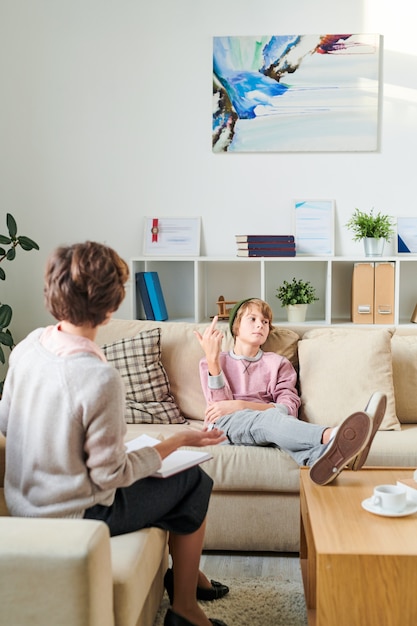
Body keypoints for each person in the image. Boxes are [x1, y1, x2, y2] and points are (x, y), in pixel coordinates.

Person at [0, 241, 229, 626]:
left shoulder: (27, 346)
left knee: (172, 478)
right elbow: (111, 477)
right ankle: (185, 609)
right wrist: (176, 442)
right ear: (109, 309)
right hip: (75, 515)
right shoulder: (98, 377)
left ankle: (191, 580)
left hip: (24, 503)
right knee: (193, 481)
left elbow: (6, 423)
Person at [194, 298, 386, 485]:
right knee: (271, 421)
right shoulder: (213, 361)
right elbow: (219, 409)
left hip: (266, 429)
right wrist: (213, 360)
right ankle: (332, 435)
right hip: (225, 428)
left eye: (265, 322)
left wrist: (242, 405)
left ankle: (327, 458)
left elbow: (288, 407)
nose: (260, 325)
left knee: (283, 433)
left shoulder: (278, 363)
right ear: (236, 326)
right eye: (252, 319)